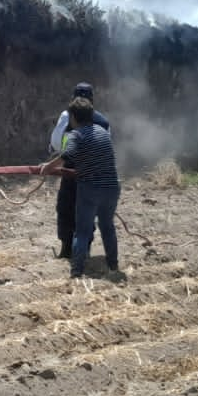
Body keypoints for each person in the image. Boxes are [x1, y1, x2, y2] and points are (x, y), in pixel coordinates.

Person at [40, 98, 122, 281]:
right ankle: (113, 264)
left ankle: (77, 271)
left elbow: (66, 156)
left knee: (82, 230)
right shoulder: (102, 132)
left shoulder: (76, 135)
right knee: (107, 226)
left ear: (74, 118)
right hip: (112, 187)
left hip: (91, 187)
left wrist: (48, 167)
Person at [47, 82, 112, 258]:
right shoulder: (103, 122)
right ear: (92, 100)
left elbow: (55, 141)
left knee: (66, 209)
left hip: (70, 172)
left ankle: (66, 249)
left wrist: (53, 161)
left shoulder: (67, 116)